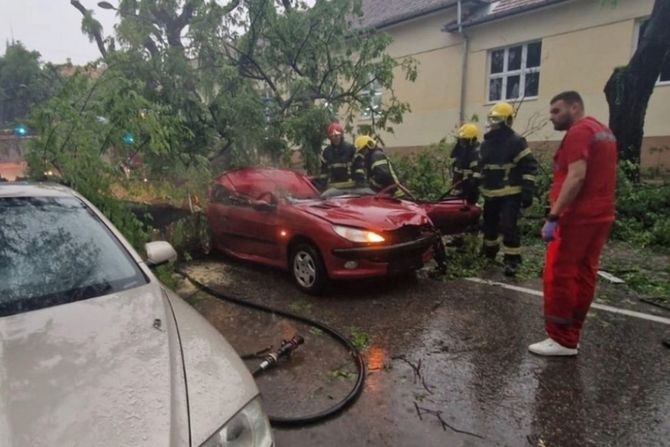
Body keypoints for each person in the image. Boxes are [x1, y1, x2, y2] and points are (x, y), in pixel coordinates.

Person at [528, 91, 617, 356]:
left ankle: (561, 339)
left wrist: (554, 216)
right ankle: (572, 333)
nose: (552, 117)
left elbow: (576, 177)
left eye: (557, 111)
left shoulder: (579, 132)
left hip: (576, 217)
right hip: (600, 214)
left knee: (559, 273)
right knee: (584, 273)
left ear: (574, 107)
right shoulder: (603, 131)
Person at [354, 134, 448, 276]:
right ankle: (407, 261)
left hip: (394, 197)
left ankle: (439, 261)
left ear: (368, 147)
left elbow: (384, 177)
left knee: (418, 228)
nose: (362, 154)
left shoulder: (375, 156)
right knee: (401, 232)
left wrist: (371, 188)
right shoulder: (373, 156)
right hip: (388, 198)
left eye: (363, 151)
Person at [478, 101, 538, 277]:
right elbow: (482, 166)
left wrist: (527, 192)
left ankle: (512, 260)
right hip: (490, 193)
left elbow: (529, 167)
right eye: (492, 120)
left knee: (508, 226)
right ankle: (489, 254)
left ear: (506, 121)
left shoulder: (516, 141)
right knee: (488, 225)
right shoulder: (486, 143)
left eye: (497, 121)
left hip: (511, 193)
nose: (493, 125)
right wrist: (475, 179)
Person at [314, 122, 357, 192]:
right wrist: (322, 185)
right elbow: (324, 171)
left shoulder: (350, 148)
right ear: (330, 137)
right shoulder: (327, 151)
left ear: (341, 135)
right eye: (332, 136)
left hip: (351, 186)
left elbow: (358, 166)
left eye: (337, 135)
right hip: (334, 187)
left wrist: (360, 182)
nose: (335, 138)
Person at [450, 123, 481, 205]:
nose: (462, 142)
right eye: (461, 139)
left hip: (468, 194)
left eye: (464, 140)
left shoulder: (475, 154)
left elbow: (476, 176)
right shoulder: (461, 152)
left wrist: (469, 189)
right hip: (457, 192)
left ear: (471, 140)